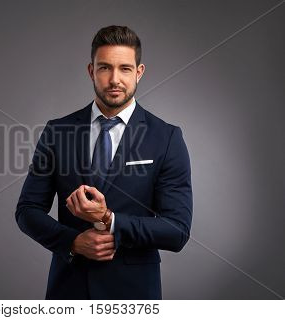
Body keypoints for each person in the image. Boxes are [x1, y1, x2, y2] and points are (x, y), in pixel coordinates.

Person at [15, 25, 192, 299]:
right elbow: (27, 211)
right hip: (69, 290)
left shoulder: (166, 137)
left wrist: (109, 219)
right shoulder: (57, 131)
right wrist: (72, 242)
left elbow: (177, 231)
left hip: (134, 295)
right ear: (91, 71)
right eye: (105, 68)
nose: (114, 80)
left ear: (139, 72)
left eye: (124, 68)